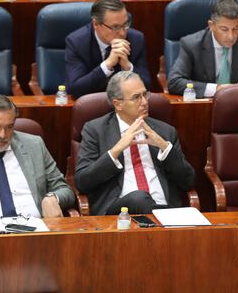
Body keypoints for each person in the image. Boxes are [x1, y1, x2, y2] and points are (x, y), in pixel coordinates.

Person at [75, 71, 195, 215]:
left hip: (163, 205)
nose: (144, 102)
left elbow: (188, 181)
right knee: (139, 198)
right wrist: (117, 149)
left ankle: (165, 217)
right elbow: (82, 182)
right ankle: (167, 219)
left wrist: (164, 146)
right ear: (118, 104)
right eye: (136, 97)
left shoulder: (165, 131)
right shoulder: (95, 130)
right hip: (118, 211)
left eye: (145, 94)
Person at [0, 95, 75, 234]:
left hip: (37, 232)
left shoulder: (34, 145)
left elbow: (64, 188)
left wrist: (53, 197)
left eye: (9, 127)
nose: (2, 135)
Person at [167, 0, 238, 98]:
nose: (231, 36)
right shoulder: (191, 44)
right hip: (205, 105)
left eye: (236, 29)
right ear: (211, 25)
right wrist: (216, 89)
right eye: (224, 29)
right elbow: (174, 82)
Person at [65, 0, 151, 98]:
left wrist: (128, 67)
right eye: (115, 27)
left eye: (125, 24)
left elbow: (147, 86)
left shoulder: (136, 39)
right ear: (96, 24)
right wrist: (107, 65)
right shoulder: (77, 42)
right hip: (92, 105)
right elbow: (75, 89)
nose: (123, 32)